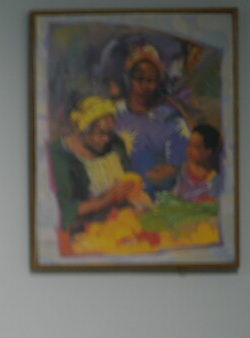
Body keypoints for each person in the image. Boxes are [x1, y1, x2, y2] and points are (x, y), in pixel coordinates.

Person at [50, 96, 152, 235]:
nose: (107, 139)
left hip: (124, 222)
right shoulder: (59, 155)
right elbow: (65, 212)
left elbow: (129, 180)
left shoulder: (115, 144)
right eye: (101, 133)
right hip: (86, 232)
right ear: (82, 131)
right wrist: (107, 199)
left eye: (109, 133)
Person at [113, 44, 190, 196]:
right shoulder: (114, 114)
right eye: (139, 79)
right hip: (119, 195)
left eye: (151, 80)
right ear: (129, 80)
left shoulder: (170, 118)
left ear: (158, 82)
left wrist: (173, 169)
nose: (144, 86)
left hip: (162, 199)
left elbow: (187, 161)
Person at [173, 123, 222, 202]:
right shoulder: (182, 170)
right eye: (189, 145)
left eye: (196, 147)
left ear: (208, 152)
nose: (189, 150)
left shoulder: (214, 180)